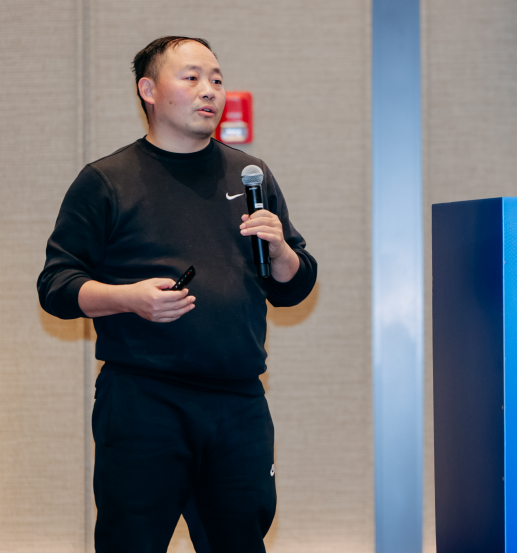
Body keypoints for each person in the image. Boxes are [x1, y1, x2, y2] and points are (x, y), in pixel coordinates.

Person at [37, 36, 317, 552]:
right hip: (144, 401)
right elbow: (56, 286)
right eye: (191, 77)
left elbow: (295, 288)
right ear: (148, 90)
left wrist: (281, 251)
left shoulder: (249, 175)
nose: (209, 90)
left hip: (238, 402)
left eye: (217, 79)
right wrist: (129, 298)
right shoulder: (106, 180)